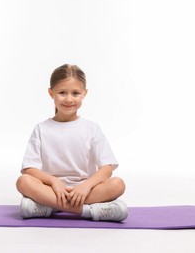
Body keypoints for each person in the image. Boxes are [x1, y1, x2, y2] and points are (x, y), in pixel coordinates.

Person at [16, 64, 128, 222]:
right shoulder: (42, 129)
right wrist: (54, 182)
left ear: (85, 94)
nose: (69, 99)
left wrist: (86, 185)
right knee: (23, 182)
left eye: (75, 93)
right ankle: (88, 211)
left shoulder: (92, 129)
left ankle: (50, 207)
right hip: (51, 190)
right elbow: (29, 169)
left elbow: (107, 168)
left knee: (117, 184)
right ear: (51, 93)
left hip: (85, 191)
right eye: (62, 93)